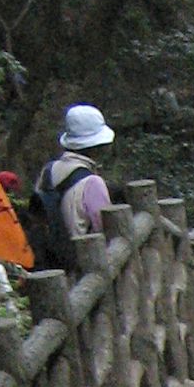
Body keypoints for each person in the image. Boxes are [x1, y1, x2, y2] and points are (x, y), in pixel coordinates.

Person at [32, 104, 117, 272]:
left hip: (51, 263)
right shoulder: (93, 182)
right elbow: (107, 229)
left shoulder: (48, 171)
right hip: (83, 267)